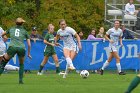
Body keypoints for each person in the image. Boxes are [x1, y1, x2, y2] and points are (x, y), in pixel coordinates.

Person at [0, 17, 32, 84]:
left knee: (3, 63)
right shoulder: (24, 31)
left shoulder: (11, 29)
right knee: (21, 64)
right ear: (22, 23)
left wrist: (3, 38)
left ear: (15, 23)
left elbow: (2, 34)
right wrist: (28, 53)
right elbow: (29, 44)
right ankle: (20, 81)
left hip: (12, 47)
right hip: (21, 48)